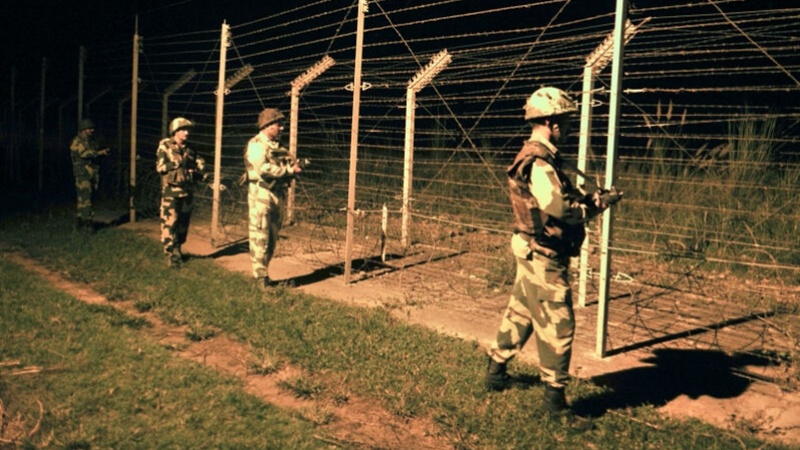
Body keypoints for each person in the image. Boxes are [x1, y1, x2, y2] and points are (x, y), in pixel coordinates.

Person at [484, 87, 622, 427]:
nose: (569, 127)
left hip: (532, 247)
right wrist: (595, 206)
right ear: (550, 122)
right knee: (558, 325)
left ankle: (495, 373)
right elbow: (558, 207)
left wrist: (587, 199)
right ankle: (555, 406)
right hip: (543, 253)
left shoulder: (539, 156)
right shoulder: (540, 161)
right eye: (566, 121)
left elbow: (552, 201)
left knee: (522, 310)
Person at [244, 108, 303, 289]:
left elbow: (287, 162)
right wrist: (288, 170)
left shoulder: (278, 147)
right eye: (278, 124)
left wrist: (295, 167)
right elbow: (263, 168)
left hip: (277, 193)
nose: (282, 128)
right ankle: (260, 277)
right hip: (261, 193)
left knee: (272, 237)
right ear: (267, 125)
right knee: (260, 235)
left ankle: (264, 273)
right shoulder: (256, 145)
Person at [156, 117, 206, 267]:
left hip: (187, 191)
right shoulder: (165, 145)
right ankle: (171, 254)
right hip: (171, 191)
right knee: (170, 223)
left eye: (188, 130)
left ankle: (178, 247)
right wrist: (177, 163)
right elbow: (160, 167)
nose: (187, 133)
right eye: (183, 130)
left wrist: (197, 168)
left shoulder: (190, 148)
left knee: (183, 223)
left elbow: (200, 162)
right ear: (175, 131)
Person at [70, 118, 109, 231]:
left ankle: (82, 222)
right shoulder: (77, 141)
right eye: (89, 128)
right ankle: (86, 223)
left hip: (89, 173)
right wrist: (99, 153)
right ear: (83, 129)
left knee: (87, 198)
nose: (92, 130)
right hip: (82, 174)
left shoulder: (89, 141)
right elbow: (84, 154)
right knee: (85, 199)